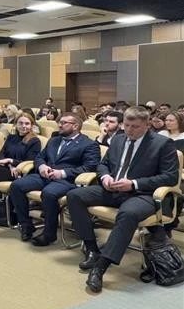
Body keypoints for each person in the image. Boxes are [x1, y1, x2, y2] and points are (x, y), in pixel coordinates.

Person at [66, 106, 179, 293]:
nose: (129, 130)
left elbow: (170, 177)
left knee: (128, 214)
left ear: (147, 125)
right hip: (112, 189)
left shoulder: (162, 144)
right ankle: (92, 248)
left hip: (142, 194)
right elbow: (103, 165)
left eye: (135, 127)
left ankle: (100, 267)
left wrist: (133, 183)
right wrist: (105, 177)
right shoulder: (118, 139)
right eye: (126, 125)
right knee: (74, 195)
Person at [9, 113, 100, 245]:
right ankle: (26, 225)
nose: (59, 125)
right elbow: (40, 157)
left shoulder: (89, 144)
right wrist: (41, 167)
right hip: (45, 175)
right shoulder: (54, 140)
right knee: (17, 185)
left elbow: (89, 168)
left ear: (75, 126)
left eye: (64, 123)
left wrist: (62, 173)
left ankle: (49, 234)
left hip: (67, 180)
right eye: (59, 122)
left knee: (49, 193)